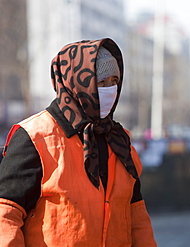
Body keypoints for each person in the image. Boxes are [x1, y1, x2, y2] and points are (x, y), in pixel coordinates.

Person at [0, 38, 157, 246]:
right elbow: (5, 216)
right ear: (77, 82)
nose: (110, 90)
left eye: (114, 81)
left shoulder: (120, 141)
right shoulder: (35, 138)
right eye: (101, 83)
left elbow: (137, 218)